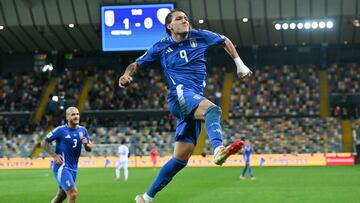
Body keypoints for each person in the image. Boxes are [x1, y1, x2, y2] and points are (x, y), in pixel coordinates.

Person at [118, 8, 252, 203]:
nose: (185, 21)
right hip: (179, 95)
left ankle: (146, 197)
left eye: (186, 18)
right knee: (213, 109)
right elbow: (137, 64)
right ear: (169, 26)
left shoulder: (201, 36)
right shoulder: (161, 46)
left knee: (180, 159)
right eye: (179, 19)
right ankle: (218, 150)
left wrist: (239, 64)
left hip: (192, 100)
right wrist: (127, 74)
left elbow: (224, 40)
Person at [42, 107, 92, 203]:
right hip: (62, 167)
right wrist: (54, 156)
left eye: (77, 114)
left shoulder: (83, 130)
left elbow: (89, 149)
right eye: (73, 115)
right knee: (73, 193)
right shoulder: (61, 130)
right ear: (67, 117)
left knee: (61, 195)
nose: (76, 116)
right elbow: (44, 142)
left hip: (74, 168)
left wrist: (86, 145)